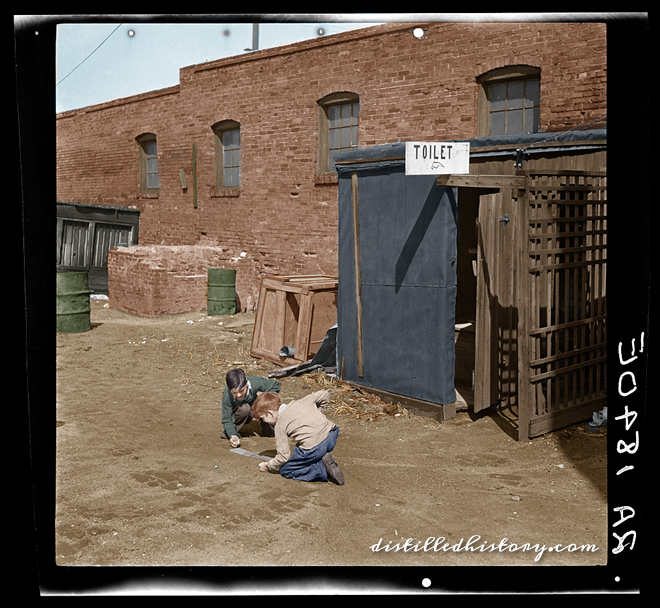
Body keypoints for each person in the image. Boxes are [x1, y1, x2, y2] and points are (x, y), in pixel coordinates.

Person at [251, 390, 345, 485]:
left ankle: (322, 469)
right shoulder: (302, 401)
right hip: (332, 434)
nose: (265, 421)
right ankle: (322, 455)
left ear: (270, 413)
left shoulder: (280, 425)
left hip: (316, 447)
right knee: (302, 445)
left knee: (286, 469)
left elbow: (283, 457)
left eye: (263, 418)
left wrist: (269, 466)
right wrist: (320, 410)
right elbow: (325, 394)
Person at [221, 369, 281, 448]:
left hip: (256, 407)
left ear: (246, 384)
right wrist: (232, 435)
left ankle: (273, 430)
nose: (238, 395)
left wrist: (265, 397)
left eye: (242, 390)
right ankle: (233, 432)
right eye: (234, 393)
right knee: (244, 408)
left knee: (265, 405)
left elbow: (276, 385)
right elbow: (227, 418)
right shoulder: (227, 395)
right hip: (242, 411)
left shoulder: (256, 382)